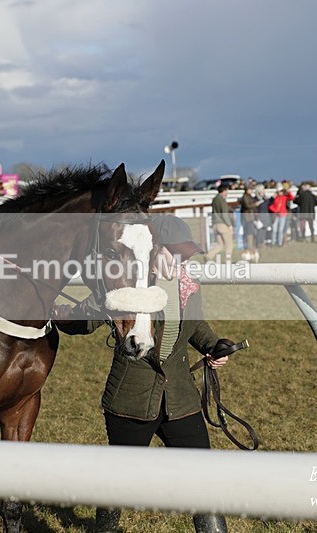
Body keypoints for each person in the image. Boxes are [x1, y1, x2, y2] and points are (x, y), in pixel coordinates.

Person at [54, 215, 238, 533]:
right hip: (131, 401)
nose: (182, 262)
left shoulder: (187, 287)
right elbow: (83, 324)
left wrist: (215, 346)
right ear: (155, 251)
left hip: (181, 400)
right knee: (118, 481)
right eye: (175, 254)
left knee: (203, 478)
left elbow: (197, 328)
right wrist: (60, 315)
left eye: (186, 255)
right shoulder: (124, 284)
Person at [205, 183, 234, 263]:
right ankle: (228, 261)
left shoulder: (214, 199)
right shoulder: (222, 200)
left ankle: (209, 256)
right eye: (226, 191)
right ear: (224, 191)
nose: (227, 193)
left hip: (215, 224)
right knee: (229, 244)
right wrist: (230, 225)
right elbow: (224, 214)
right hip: (223, 224)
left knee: (219, 244)